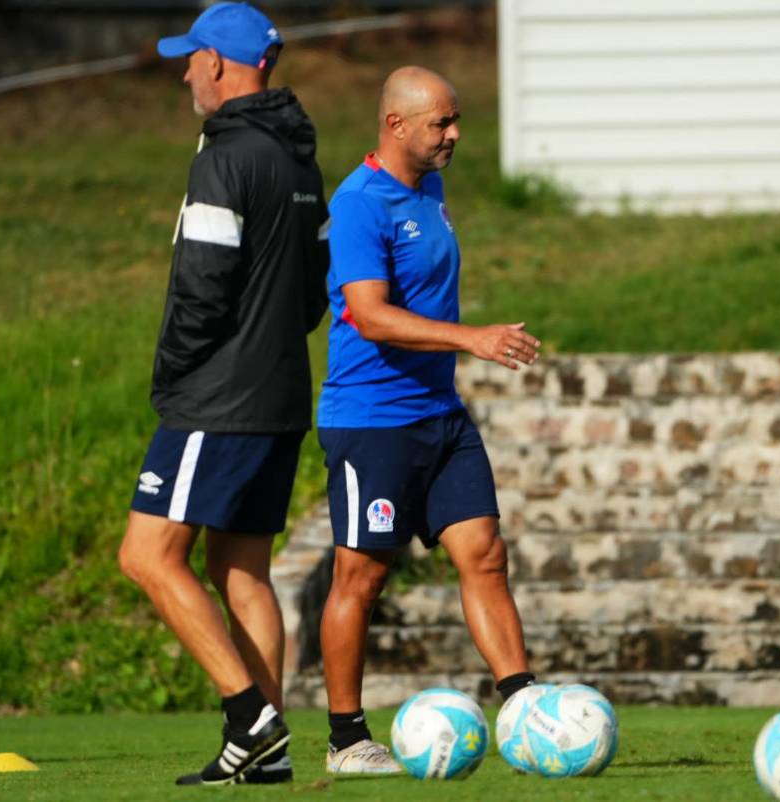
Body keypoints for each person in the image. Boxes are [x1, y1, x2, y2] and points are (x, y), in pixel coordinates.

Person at [117, 1, 329, 786]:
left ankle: (252, 716)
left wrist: (174, 371)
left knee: (146, 556)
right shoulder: (300, 159)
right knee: (242, 571)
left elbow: (201, 290)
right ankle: (262, 759)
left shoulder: (224, 157)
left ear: (219, 64)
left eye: (191, 58)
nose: (183, 72)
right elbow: (314, 293)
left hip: (218, 399)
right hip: (279, 396)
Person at [316, 65, 540, 774]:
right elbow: (370, 314)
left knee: (485, 555)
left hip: (440, 415)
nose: (455, 134)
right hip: (373, 420)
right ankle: (347, 739)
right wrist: (472, 338)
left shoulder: (431, 189)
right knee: (362, 576)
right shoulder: (358, 204)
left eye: (455, 119)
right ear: (396, 126)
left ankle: (526, 710)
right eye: (441, 123)